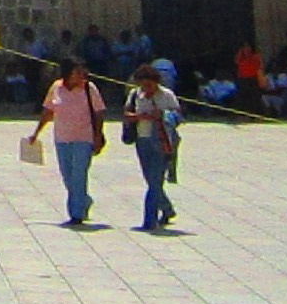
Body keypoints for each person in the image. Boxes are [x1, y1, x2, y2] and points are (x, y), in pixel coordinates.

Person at [29, 58, 108, 227]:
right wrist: (36, 133)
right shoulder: (56, 88)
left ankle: (76, 214)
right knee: (67, 176)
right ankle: (84, 200)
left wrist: (98, 135)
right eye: (77, 72)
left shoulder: (89, 88)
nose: (81, 75)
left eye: (82, 71)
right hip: (62, 138)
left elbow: (99, 112)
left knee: (79, 175)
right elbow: (48, 111)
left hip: (84, 138)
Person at [123, 62, 181, 231]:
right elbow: (127, 114)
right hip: (143, 140)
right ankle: (167, 209)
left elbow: (178, 116)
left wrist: (162, 115)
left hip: (162, 141)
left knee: (156, 180)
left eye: (149, 85)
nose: (146, 88)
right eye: (143, 85)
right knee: (151, 180)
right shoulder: (135, 95)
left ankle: (150, 220)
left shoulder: (167, 95)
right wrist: (139, 116)